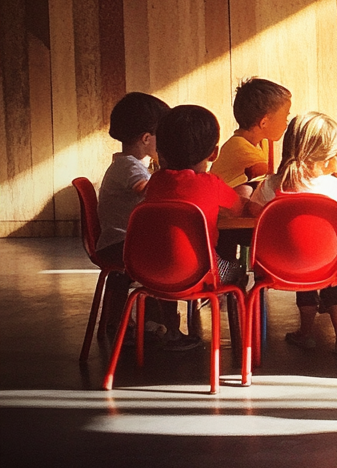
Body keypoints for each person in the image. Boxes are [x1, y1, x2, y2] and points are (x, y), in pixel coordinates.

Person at [249, 112, 337, 355]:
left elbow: (252, 209)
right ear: (317, 161)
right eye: (334, 156)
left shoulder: (272, 184)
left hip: (284, 264)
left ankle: (306, 332)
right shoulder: (332, 185)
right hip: (330, 262)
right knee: (334, 276)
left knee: (304, 274)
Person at [146, 105, 246, 300]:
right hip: (202, 270)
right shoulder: (212, 184)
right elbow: (238, 208)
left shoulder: (154, 182)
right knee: (236, 269)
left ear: (160, 151)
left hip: (151, 270)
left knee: (168, 263)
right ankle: (239, 328)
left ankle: (165, 326)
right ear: (214, 153)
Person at [95, 92, 170, 339]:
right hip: (120, 243)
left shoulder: (127, 163)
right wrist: (170, 172)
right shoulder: (129, 166)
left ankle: (141, 322)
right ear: (147, 138)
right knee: (165, 259)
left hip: (121, 241)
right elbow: (144, 189)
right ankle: (154, 324)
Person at [210, 77, 292, 195]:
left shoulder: (262, 141)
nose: (286, 123)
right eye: (285, 117)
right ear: (264, 123)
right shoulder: (239, 148)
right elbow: (270, 182)